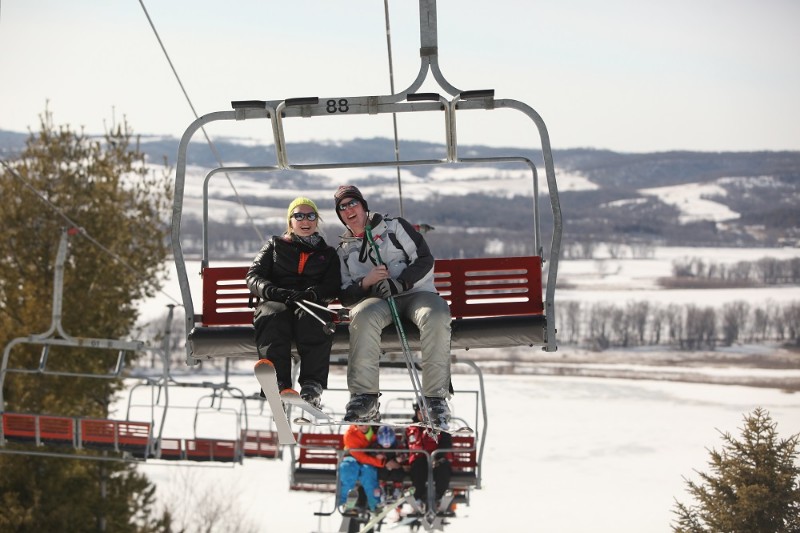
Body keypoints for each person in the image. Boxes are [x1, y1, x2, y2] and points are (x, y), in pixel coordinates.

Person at [333, 185, 452, 429]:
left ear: (364, 206)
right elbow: (345, 296)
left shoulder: (394, 227)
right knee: (362, 317)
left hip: (415, 293)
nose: (348, 210)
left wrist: (399, 283)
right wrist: (368, 284)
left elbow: (424, 259)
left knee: (436, 315)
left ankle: (435, 398)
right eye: (342, 207)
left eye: (352, 203)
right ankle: (364, 397)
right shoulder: (344, 250)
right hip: (378, 302)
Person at [246, 197, 341, 407]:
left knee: (314, 320)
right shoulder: (274, 246)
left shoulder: (327, 254)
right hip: (277, 300)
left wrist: (313, 295)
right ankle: (278, 384)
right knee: (274, 316)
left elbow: (332, 285)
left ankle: (312, 384)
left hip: (308, 303)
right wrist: (273, 291)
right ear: (290, 221)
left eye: (310, 215)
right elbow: (253, 276)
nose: (304, 220)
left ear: (317, 221)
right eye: (299, 215)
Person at [338, 423, 402, 513]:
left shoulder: (376, 430)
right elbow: (360, 456)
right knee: (348, 469)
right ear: (356, 425)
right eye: (360, 425)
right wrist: (383, 462)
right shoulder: (350, 434)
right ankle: (345, 501)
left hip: (371, 459)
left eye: (366, 424)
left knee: (369, 472)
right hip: (353, 457)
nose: (364, 427)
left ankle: (374, 504)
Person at [406, 403, 453, 510]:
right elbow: (405, 447)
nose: (423, 416)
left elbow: (446, 444)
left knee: (442, 469)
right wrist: (404, 462)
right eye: (420, 413)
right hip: (419, 460)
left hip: (436, 458)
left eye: (425, 414)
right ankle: (417, 498)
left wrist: (437, 457)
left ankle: (441, 497)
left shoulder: (440, 427)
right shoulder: (411, 428)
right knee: (418, 469)